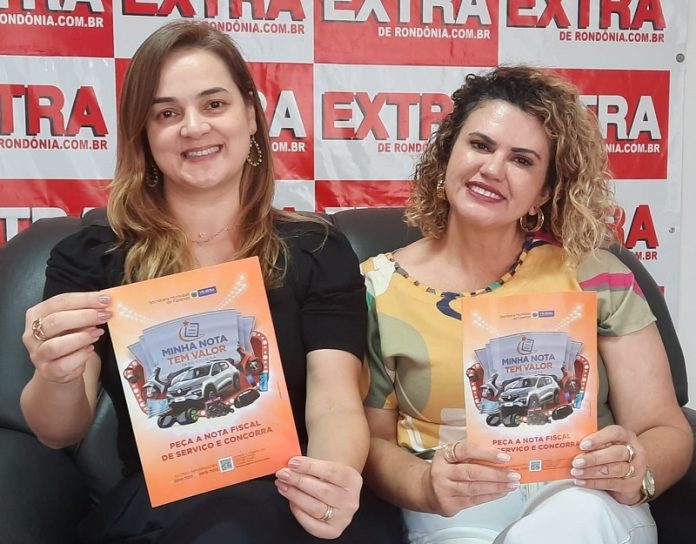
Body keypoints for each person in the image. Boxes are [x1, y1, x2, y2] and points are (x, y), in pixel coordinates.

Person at [20, 20, 401, 544]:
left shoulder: (316, 250)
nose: (194, 127)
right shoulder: (91, 257)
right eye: (167, 113)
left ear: (250, 115)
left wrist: (329, 479)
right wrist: (55, 374)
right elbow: (56, 430)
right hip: (167, 505)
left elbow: (335, 402)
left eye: (214, 104)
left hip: (290, 491)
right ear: (144, 135)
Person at [360, 66, 693, 544]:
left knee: (575, 518)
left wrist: (637, 468)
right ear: (447, 153)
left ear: (544, 191)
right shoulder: (378, 287)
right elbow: (371, 442)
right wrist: (425, 484)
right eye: (480, 145)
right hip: (457, 512)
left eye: (521, 160)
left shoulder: (594, 274)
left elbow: (665, 428)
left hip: (585, 499)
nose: (493, 169)